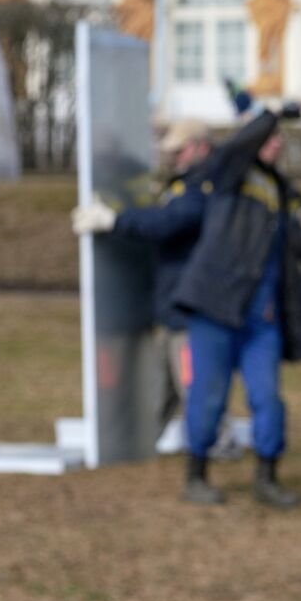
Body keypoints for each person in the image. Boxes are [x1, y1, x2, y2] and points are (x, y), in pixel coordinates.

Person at [170, 108, 301, 508]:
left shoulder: (280, 189)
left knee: (268, 398)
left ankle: (267, 477)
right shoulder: (231, 171)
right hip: (215, 306)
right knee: (208, 396)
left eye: (280, 138)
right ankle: (195, 476)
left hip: (260, 318)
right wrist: (275, 112)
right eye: (271, 138)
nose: (277, 143)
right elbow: (241, 141)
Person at [72, 118, 212, 431]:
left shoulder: (201, 188)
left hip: (187, 304)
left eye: (180, 151)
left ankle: (214, 440)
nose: (174, 157)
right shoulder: (178, 184)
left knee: (192, 382)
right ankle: (145, 435)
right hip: (169, 302)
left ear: (201, 148)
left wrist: (114, 221)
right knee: (162, 383)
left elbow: (165, 222)